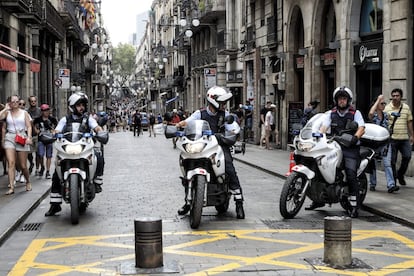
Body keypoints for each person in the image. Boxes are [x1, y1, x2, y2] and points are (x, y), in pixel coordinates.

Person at [175, 86, 245, 219]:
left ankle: (239, 201)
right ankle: (187, 201)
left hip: (219, 145)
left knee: (228, 165)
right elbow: (188, 122)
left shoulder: (226, 115)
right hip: (202, 145)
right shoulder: (199, 114)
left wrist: (233, 133)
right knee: (187, 162)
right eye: (222, 102)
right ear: (213, 101)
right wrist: (177, 126)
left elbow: (233, 129)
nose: (224, 105)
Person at [45, 92, 106, 216]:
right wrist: (53, 134)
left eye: (83, 105)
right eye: (78, 105)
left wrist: (99, 132)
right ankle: (55, 205)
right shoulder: (64, 119)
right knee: (57, 174)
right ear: (72, 106)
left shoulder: (88, 119)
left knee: (98, 157)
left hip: (84, 148)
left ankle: (97, 182)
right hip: (68, 148)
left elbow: (96, 127)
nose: (81, 107)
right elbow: (57, 129)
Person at [315, 86, 365, 218]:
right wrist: (319, 135)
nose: (341, 101)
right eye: (339, 99)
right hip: (335, 145)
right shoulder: (331, 113)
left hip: (350, 147)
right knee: (320, 166)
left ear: (348, 100)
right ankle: (317, 199)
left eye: (344, 99)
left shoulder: (355, 113)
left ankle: (354, 205)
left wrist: (355, 138)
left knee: (350, 173)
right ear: (336, 100)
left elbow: (361, 127)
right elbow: (324, 127)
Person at [0, 95, 33, 195]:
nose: (14, 103)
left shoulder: (24, 113)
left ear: (19, 102)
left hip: (21, 136)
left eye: (16, 101)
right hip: (10, 137)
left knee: (23, 165)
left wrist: (29, 137)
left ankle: (27, 181)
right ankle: (12, 187)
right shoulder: (7, 113)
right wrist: (5, 108)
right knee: (11, 163)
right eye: (12, 101)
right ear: (9, 103)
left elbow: (29, 126)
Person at [367, 95, 399, 193]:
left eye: (384, 103)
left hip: (385, 143)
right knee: (373, 164)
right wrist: (378, 100)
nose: (384, 104)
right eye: (382, 103)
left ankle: (391, 185)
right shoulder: (374, 115)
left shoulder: (386, 115)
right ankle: (372, 183)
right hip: (374, 143)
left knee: (387, 164)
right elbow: (371, 114)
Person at [384, 88, 414, 187]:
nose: (395, 98)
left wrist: (412, 135)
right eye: (393, 96)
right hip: (392, 139)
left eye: (397, 96)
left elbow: (409, 122)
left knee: (407, 156)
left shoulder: (406, 107)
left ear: (401, 97)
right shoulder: (387, 108)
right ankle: (393, 183)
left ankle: (400, 174)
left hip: (404, 138)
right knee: (392, 161)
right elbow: (384, 123)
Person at [33, 104, 58, 179]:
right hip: (41, 139)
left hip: (49, 139)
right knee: (40, 154)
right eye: (44, 110)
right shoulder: (38, 119)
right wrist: (36, 131)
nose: (46, 112)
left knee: (49, 156)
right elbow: (33, 124)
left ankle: (47, 171)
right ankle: (42, 167)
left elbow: (56, 128)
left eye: (47, 110)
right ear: (41, 111)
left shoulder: (52, 119)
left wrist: (53, 131)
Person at [26, 95, 41, 175]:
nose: (33, 103)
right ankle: (31, 163)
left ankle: (37, 169)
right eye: (32, 101)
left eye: (34, 101)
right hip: (29, 134)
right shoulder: (27, 111)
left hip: (38, 134)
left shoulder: (39, 111)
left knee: (38, 153)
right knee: (29, 153)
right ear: (29, 102)